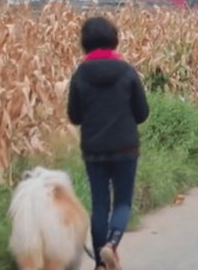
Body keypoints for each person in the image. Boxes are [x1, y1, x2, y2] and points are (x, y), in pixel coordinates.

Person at [67, 16, 150, 270]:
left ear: (84, 42)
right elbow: (142, 113)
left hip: (93, 149)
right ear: (114, 40)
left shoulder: (80, 74)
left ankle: (101, 267)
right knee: (123, 202)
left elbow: (75, 116)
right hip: (125, 147)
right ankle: (111, 246)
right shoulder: (127, 71)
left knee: (100, 203)